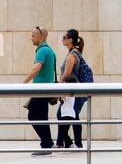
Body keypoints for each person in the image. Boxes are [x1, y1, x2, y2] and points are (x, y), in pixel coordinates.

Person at [55, 30, 92, 150]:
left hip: (73, 91)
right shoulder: (75, 53)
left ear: (70, 39)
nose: (62, 39)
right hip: (75, 91)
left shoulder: (72, 55)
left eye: (64, 37)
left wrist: (59, 89)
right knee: (71, 116)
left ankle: (69, 143)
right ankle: (68, 143)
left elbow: (66, 74)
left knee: (65, 115)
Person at [23, 26, 56, 156]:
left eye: (33, 36)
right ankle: (47, 143)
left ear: (41, 37)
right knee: (39, 116)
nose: (31, 38)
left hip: (41, 90)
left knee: (36, 116)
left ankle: (47, 144)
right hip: (44, 89)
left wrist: (23, 83)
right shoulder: (50, 50)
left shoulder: (42, 51)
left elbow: (36, 68)